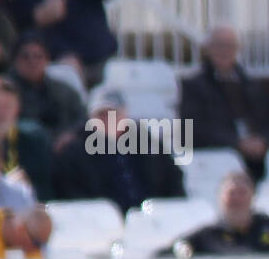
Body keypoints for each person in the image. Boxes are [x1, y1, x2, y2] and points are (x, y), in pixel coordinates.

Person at [50, 88, 186, 212]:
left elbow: (173, 180)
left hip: (151, 220)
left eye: (113, 114)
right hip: (103, 225)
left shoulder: (147, 143)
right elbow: (71, 193)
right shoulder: (75, 152)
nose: (108, 120)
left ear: (125, 114)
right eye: (101, 115)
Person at [178, 25, 269, 182]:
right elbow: (193, 128)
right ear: (208, 49)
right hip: (217, 159)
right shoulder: (194, 86)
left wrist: (264, 141)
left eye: (230, 46)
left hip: (258, 158)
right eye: (219, 46)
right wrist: (236, 143)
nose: (225, 51)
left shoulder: (253, 85)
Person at [8, 32, 87, 150]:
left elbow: (82, 119)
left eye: (38, 56)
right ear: (15, 61)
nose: (32, 62)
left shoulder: (64, 91)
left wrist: (68, 136)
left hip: (63, 148)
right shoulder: (6, 91)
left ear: (47, 60)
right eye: (25, 57)